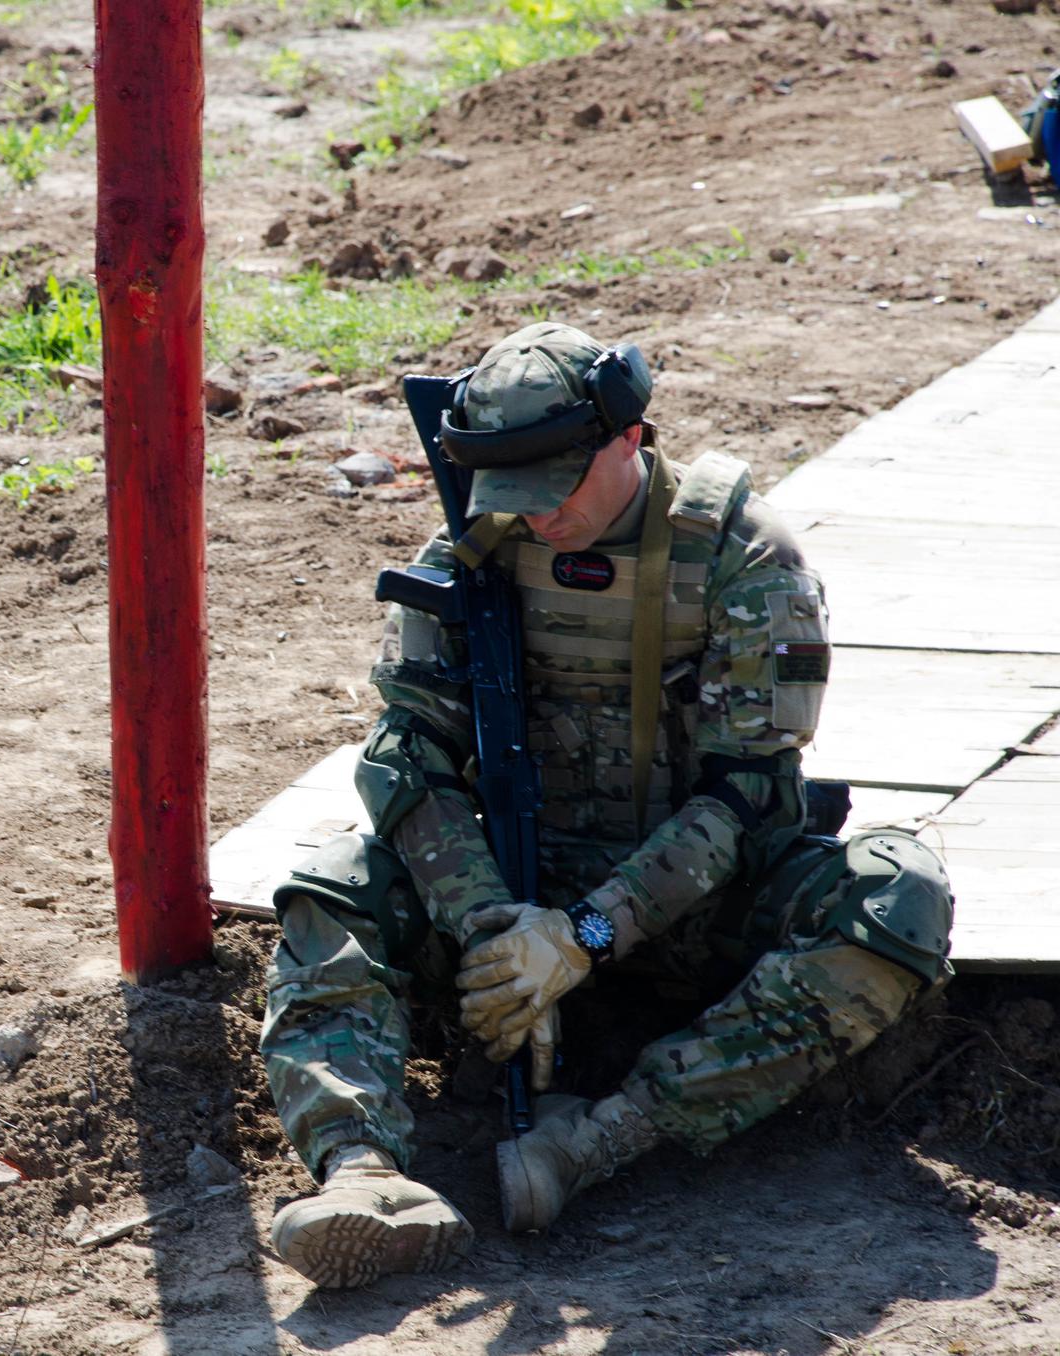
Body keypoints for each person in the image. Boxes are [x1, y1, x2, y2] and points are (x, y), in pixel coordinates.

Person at [258, 322, 955, 1288]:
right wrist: (492, 931)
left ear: (629, 441)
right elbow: (405, 757)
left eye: (554, 491)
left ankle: (605, 1139)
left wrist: (584, 935)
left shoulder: (744, 562)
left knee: (897, 892)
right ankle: (363, 1171)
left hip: (695, 914)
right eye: (509, 494)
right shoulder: (471, 551)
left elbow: (744, 800)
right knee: (332, 881)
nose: (534, 521)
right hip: (512, 896)